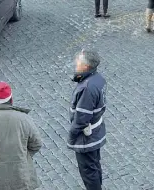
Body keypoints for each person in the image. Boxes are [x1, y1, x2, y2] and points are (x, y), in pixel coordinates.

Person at [67, 49, 107, 190]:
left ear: (85, 67)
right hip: (96, 132)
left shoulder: (87, 88)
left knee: (89, 173)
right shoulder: (97, 79)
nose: (75, 64)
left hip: (86, 138)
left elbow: (81, 118)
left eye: (78, 62)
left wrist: (71, 135)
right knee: (94, 166)